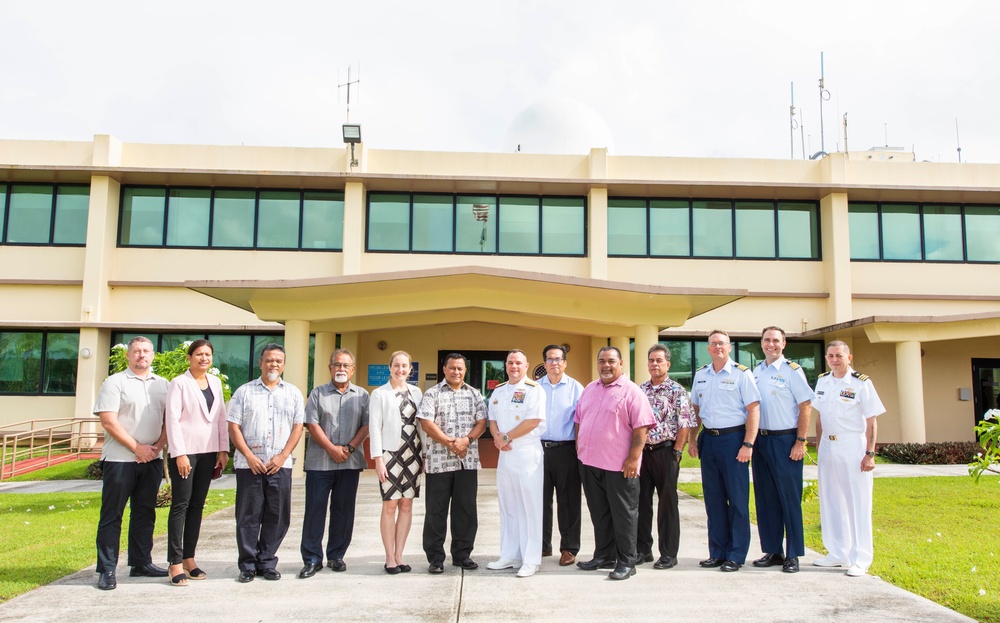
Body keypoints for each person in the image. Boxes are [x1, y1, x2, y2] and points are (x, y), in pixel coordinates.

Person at [93, 336, 170, 590]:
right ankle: (106, 569)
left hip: (152, 459)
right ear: (128, 355)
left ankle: (140, 562)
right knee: (112, 515)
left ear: (153, 356)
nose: (141, 355)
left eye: (146, 351)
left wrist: (156, 448)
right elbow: (108, 421)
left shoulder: (163, 384)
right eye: (136, 351)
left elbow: (170, 420)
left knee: (145, 513)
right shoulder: (114, 382)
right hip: (120, 459)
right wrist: (137, 448)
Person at [575, 346, 655, 581]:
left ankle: (627, 561)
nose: (605, 365)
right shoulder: (590, 389)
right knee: (600, 514)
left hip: (620, 466)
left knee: (624, 515)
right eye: (601, 361)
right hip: (590, 463)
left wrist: (633, 458)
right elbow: (579, 419)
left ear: (621, 364)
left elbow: (641, 428)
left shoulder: (632, 392)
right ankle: (604, 555)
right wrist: (580, 448)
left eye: (611, 361)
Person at [227, 343, 305, 583]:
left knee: (278, 516)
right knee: (248, 516)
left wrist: (283, 456)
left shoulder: (292, 393)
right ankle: (248, 564)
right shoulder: (244, 392)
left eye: (278, 361)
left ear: (284, 365)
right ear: (260, 363)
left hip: (279, 466)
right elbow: (233, 426)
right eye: (269, 360)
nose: (274, 364)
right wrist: (249, 456)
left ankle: (267, 561)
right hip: (249, 465)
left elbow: (297, 427)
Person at [689, 330, 761, 573]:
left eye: (722, 343)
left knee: (738, 500)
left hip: (734, 440)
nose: (717, 347)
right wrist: (692, 440)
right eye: (713, 344)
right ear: (708, 349)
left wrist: (748, 444)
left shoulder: (742, 374)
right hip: (708, 440)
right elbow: (695, 411)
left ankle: (736, 554)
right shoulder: (701, 375)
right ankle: (717, 552)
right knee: (714, 499)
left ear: (729, 347)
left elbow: (753, 410)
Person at [812, 340, 885, 577]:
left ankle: (861, 558)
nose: (835, 359)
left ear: (849, 357)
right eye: (831, 356)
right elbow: (821, 415)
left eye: (839, 356)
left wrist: (870, 453)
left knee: (857, 502)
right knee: (831, 499)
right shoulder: (823, 381)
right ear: (826, 358)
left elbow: (871, 420)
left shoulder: (861, 383)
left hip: (852, 444)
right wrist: (820, 446)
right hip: (827, 446)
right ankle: (837, 552)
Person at [164, 339, 229, 587]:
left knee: (197, 506)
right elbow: (172, 419)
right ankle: (175, 563)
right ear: (190, 358)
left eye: (208, 355)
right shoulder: (179, 383)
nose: (204, 358)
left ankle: (189, 559)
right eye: (199, 354)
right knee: (181, 504)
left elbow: (221, 417)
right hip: (186, 451)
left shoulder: (214, 382)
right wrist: (179, 453)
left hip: (209, 451)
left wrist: (224, 449)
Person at [299, 348, 370, 577]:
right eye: (337, 365)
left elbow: (367, 425)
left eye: (346, 366)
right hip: (320, 463)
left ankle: (336, 555)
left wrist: (348, 448)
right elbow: (311, 423)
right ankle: (312, 559)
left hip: (349, 463)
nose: (341, 369)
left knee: (343, 511)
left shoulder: (362, 395)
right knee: (315, 510)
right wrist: (331, 448)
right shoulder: (317, 393)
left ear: (353, 370)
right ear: (330, 368)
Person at [751, 327, 815, 574]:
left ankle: (793, 554)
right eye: (766, 339)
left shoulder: (792, 371)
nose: (771, 344)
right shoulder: (756, 371)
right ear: (761, 342)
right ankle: (773, 550)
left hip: (786, 441)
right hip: (761, 441)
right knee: (766, 498)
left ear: (784, 343)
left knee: (789, 499)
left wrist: (800, 441)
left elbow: (806, 406)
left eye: (776, 340)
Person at [417, 353, 488, 574]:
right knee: (435, 512)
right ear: (444, 369)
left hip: (466, 463)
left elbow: (482, 422)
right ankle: (436, 558)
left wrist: (466, 441)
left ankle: (462, 554)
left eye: (460, 368)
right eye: (452, 368)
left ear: (464, 370)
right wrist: (451, 443)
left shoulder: (474, 394)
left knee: (466, 511)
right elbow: (426, 423)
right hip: (439, 463)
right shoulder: (432, 393)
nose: (456, 372)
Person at [485, 349, 546, 578]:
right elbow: (492, 419)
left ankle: (531, 559)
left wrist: (506, 438)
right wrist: (498, 439)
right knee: (508, 504)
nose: (514, 366)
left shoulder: (534, 389)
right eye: (510, 363)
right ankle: (510, 554)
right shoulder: (499, 390)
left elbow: (533, 421)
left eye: (518, 363)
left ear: (526, 365)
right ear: (506, 365)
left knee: (529, 506)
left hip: (526, 451)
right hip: (505, 452)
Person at [637, 344, 696, 570]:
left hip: (666, 452)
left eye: (659, 360)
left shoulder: (677, 391)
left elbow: (685, 424)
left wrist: (677, 452)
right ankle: (643, 550)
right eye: (651, 360)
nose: (654, 364)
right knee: (641, 503)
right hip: (644, 453)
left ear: (668, 364)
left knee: (667, 505)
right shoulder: (641, 390)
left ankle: (669, 554)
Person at [368, 350, 423, 575]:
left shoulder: (417, 392)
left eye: (405, 366)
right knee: (390, 504)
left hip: (414, 453)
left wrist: (425, 455)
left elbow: (422, 424)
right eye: (396, 365)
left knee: (407, 505)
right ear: (390, 367)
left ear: (411, 369)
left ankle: (400, 554)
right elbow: (374, 427)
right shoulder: (379, 394)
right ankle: (389, 557)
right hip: (390, 454)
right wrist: (378, 460)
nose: (401, 370)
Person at [537, 344, 584, 567]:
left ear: (565, 363)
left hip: (567, 450)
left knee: (568, 501)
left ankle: (568, 548)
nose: (554, 363)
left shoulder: (577, 388)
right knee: (539, 500)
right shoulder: (534, 388)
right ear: (544, 363)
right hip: (538, 450)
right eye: (550, 359)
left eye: (558, 359)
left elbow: (583, 421)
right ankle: (542, 545)